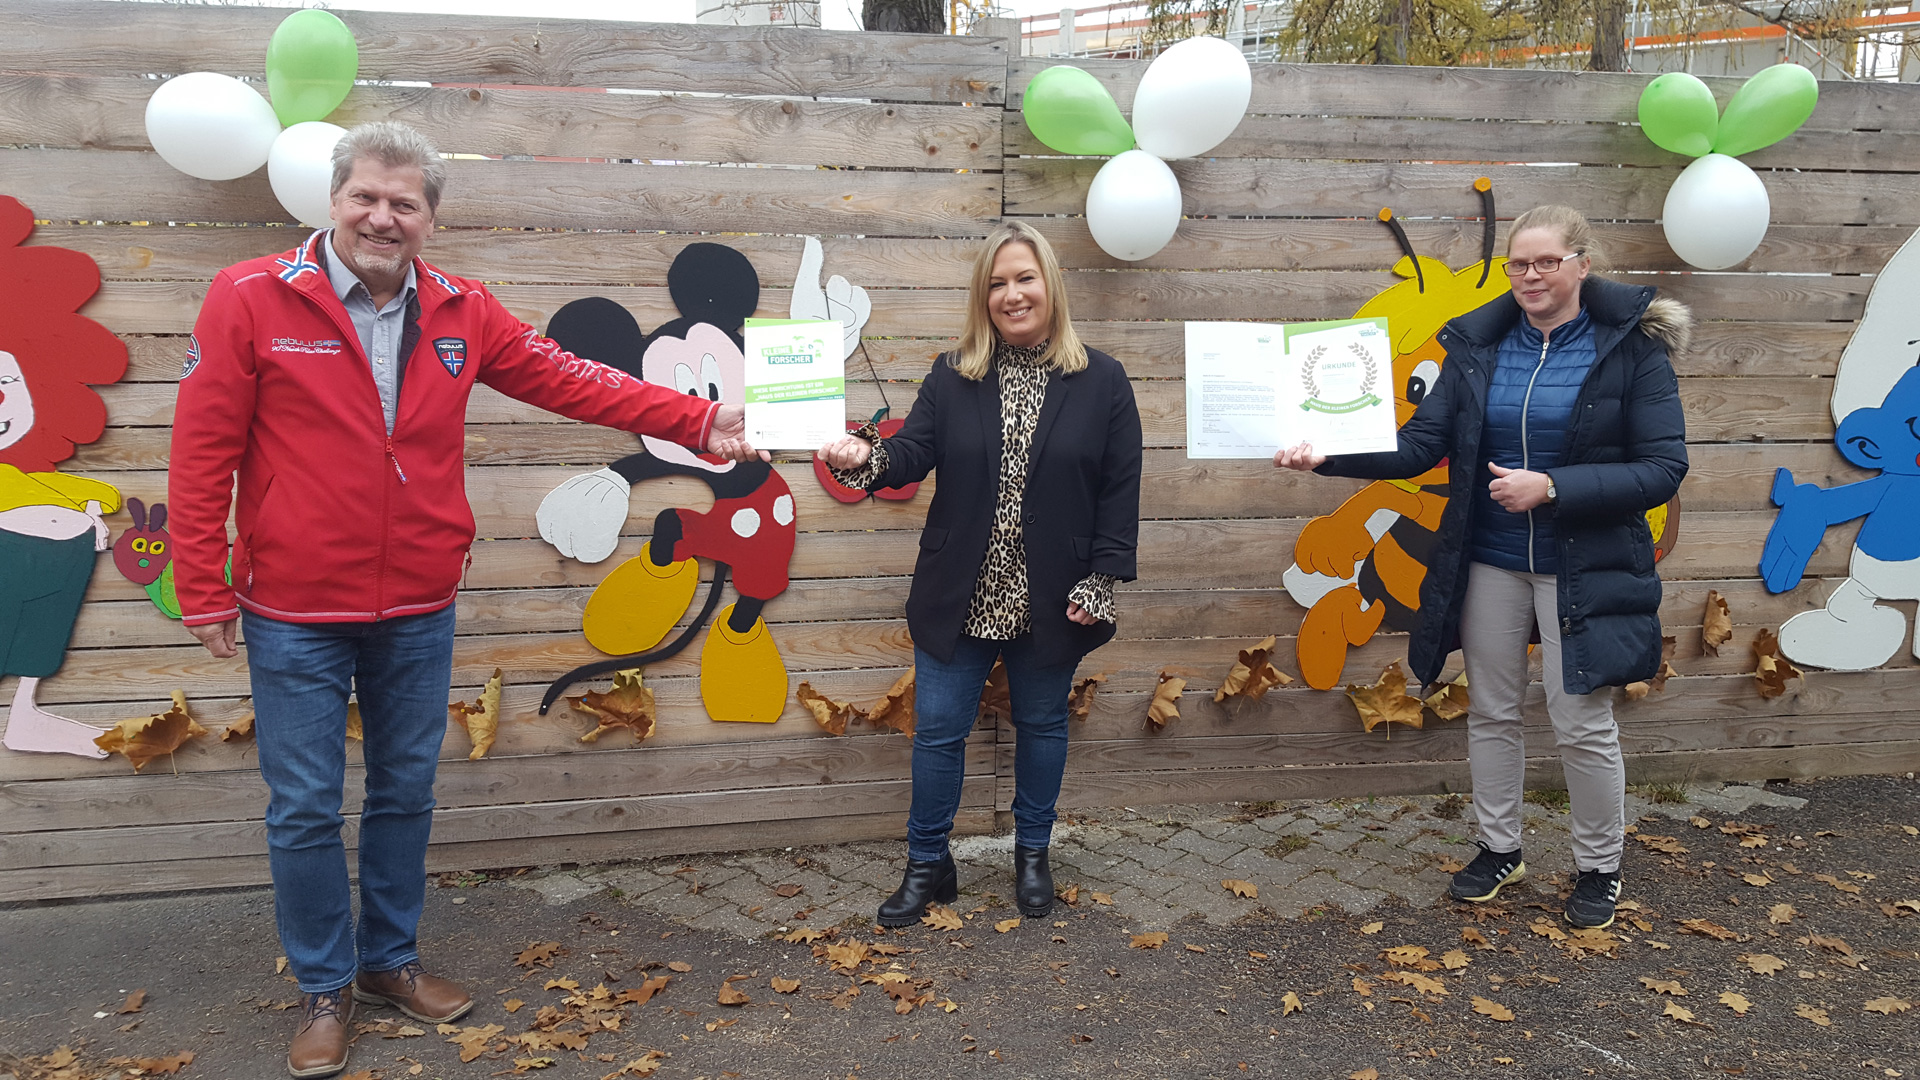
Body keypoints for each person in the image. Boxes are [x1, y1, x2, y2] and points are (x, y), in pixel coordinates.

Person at [169, 122, 761, 1079]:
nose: (383, 216)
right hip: (292, 605)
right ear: (333, 202)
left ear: (431, 219)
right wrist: (201, 586)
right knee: (307, 807)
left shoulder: (462, 309)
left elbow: (573, 381)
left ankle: (388, 964)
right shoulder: (249, 297)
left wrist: (698, 418)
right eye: (367, 196)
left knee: (405, 791)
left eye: (405, 203)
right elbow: (201, 451)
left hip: (417, 599)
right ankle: (323, 986)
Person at [1274, 205, 1689, 931]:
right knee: (1492, 711)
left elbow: (1662, 467)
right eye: (1517, 265)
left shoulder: (1631, 349)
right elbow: (1415, 447)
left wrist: (1554, 487)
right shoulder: (1479, 345)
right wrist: (1326, 453)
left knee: (1580, 720)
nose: (1528, 276)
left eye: (1545, 263)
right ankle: (1501, 848)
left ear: (1581, 266)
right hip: (1492, 561)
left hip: (1583, 567)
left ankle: (1598, 867)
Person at [818, 221, 1142, 927]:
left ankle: (1032, 854)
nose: (1011, 293)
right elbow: (909, 457)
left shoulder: (1103, 380)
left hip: (1054, 594)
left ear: (1049, 284)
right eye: (996, 283)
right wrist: (863, 457)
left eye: (1024, 277)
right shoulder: (953, 374)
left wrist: (1103, 578)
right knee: (937, 732)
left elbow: (1121, 486)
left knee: (1042, 725)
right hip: (959, 591)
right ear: (982, 296)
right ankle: (927, 864)